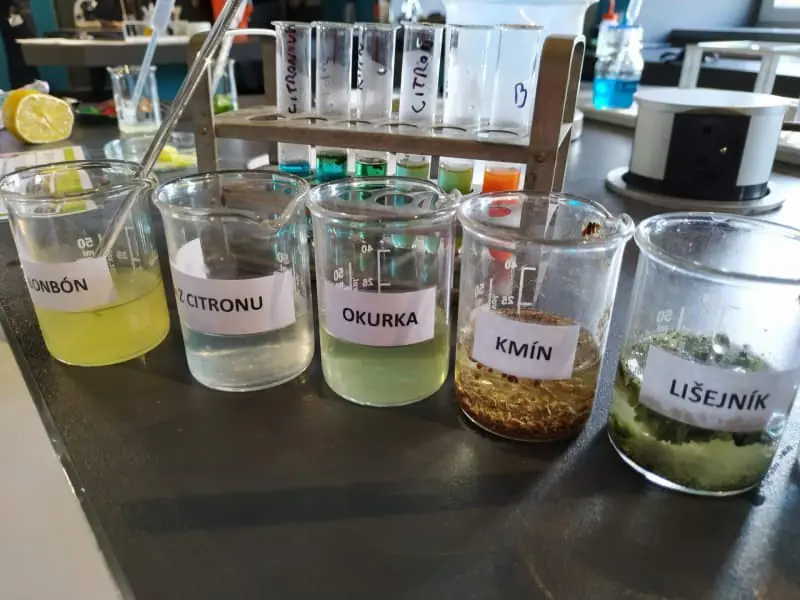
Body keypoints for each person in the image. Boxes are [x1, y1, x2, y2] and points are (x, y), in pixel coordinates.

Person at [0, 0, 40, 88]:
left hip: (16, 17)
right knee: (18, 58)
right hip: (14, 18)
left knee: (21, 58)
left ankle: (27, 84)